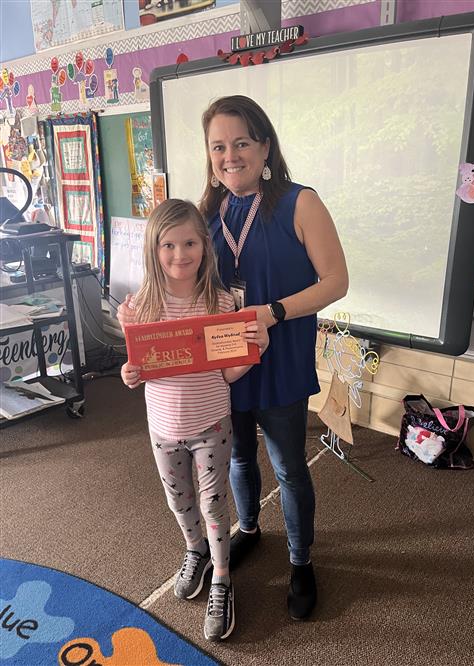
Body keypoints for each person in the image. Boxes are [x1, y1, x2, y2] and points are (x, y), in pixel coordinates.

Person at [119, 95, 348, 621]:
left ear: (265, 145)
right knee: (238, 457)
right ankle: (248, 529)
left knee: (290, 467)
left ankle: (300, 561)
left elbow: (337, 281)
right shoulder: (205, 215)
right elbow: (174, 282)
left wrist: (275, 311)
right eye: (218, 146)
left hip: (279, 353)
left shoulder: (300, 202)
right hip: (219, 368)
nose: (230, 155)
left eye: (241, 142)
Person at [120, 198, 269, 642]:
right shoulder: (139, 308)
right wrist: (130, 374)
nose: (179, 254)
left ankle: (222, 578)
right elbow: (138, 370)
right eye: (169, 245)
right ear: (154, 249)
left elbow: (227, 373)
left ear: (205, 246)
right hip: (162, 427)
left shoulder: (220, 303)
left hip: (211, 424)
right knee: (179, 502)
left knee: (213, 505)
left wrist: (253, 349)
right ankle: (195, 551)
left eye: (189, 243)